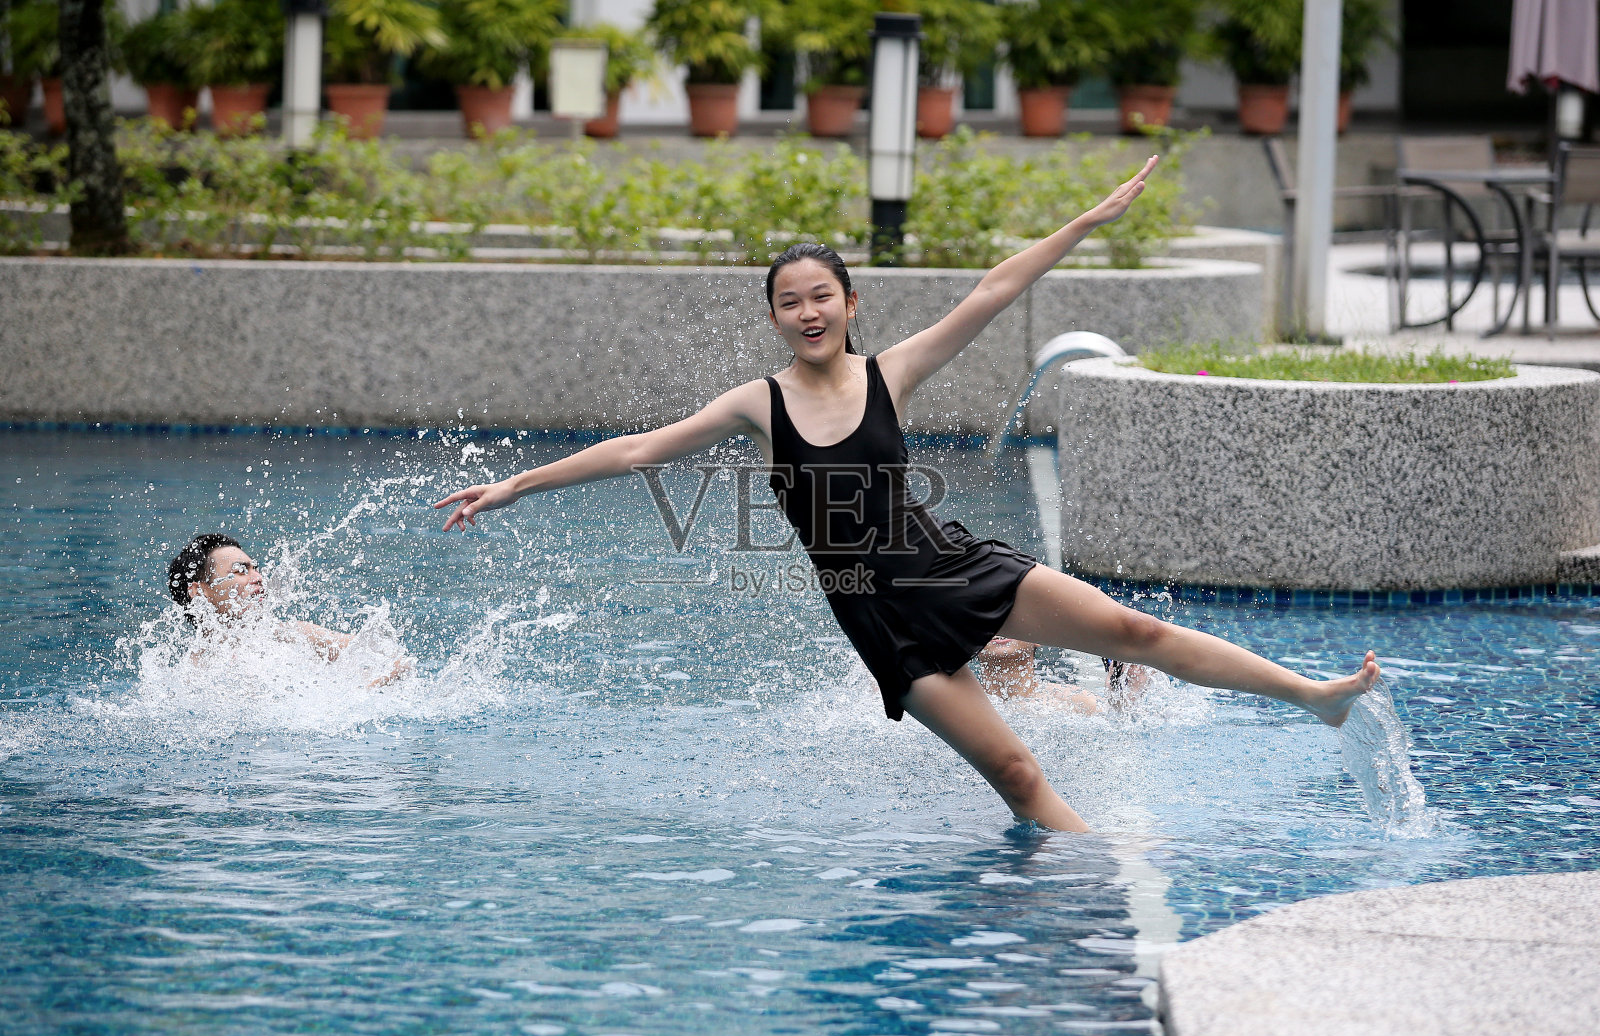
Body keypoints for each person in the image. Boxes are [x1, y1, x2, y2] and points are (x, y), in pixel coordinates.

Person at [433, 155, 1380, 833]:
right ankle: (1088, 879)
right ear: (774, 316)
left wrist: (1085, 224)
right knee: (1014, 771)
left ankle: (1314, 697)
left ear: (850, 303)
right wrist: (516, 483)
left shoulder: (890, 374)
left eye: (822, 295)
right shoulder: (757, 404)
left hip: (956, 566)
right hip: (881, 620)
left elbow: (990, 293)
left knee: (1135, 634)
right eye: (788, 301)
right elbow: (640, 450)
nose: (807, 311)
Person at [166, 533, 411, 686]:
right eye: (241, 570)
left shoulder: (295, 636)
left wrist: (363, 690)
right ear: (200, 591)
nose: (258, 578)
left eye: (255, 568)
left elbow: (394, 660)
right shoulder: (193, 677)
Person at [974, 636, 1152, 714]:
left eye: (1009, 618)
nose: (1000, 627)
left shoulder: (1076, 702)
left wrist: (1123, 699)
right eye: (987, 619)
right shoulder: (956, 708)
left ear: (1037, 636)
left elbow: (1121, 728)